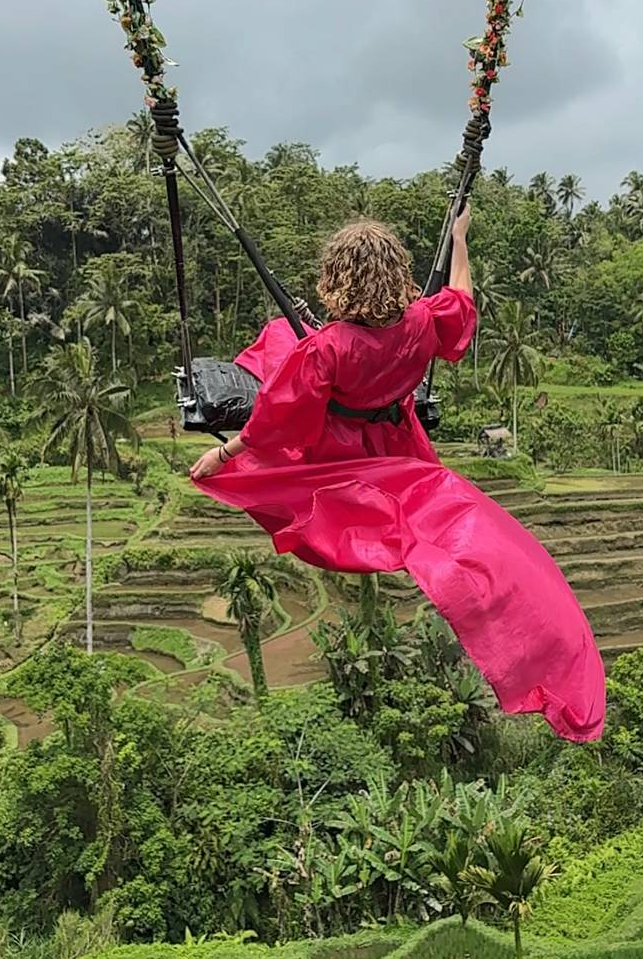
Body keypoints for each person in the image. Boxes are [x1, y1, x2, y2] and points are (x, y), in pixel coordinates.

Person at [190, 208, 606, 742]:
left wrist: (225, 455)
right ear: (398, 275)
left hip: (342, 450)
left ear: (335, 280)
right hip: (400, 442)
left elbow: (276, 423)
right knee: (281, 336)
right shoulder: (424, 321)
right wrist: (458, 239)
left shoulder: (325, 349)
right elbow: (462, 300)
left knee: (278, 342)